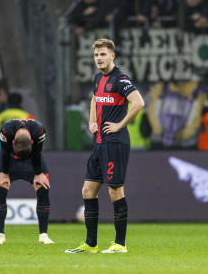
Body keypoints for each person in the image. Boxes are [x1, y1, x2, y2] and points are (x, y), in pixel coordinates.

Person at [65, 38, 145, 254]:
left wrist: (120, 124)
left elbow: (139, 103)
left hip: (115, 142)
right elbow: (94, 99)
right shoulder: (98, 78)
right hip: (99, 143)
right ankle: (91, 244)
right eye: (96, 55)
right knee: (88, 191)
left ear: (112, 56)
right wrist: (92, 121)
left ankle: (120, 244)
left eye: (102, 54)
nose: (98, 58)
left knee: (115, 191)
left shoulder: (120, 79)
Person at [0, 119, 53, 244]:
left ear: (32, 141)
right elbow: (4, 152)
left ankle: (43, 235)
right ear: (12, 141)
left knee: (43, 186)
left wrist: (38, 174)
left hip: (32, 156)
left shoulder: (39, 130)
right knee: (0, 188)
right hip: (9, 157)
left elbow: (37, 152)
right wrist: (4, 173)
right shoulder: (6, 129)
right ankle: (0, 235)